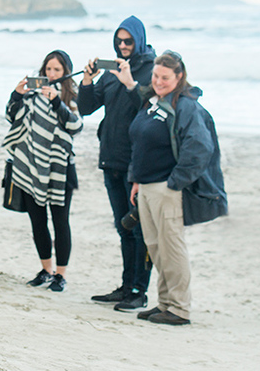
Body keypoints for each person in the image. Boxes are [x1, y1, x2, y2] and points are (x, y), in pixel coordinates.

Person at [128, 50, 226, 326]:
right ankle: (164, 303)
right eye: (156, 76)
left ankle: (179, 308)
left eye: (165, 77)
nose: (158, 81)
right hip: (146, 186)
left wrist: (175, 183)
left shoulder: (185, 106)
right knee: (156, 248)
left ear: (179, 76)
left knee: (172, 248)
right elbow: (141, 143)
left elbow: (200, 148)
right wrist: (136, 178)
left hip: (167, 188)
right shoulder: (154, 101)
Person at [78, 16, 158, 312]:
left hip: (137, 163)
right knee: (122, 227)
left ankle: (140, 290)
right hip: (110, 158)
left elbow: (151, 109)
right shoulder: (111, 71)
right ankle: (126, 285)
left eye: (128, 41)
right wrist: (86, 81)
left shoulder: (152, 70)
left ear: (139, 39)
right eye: (118, 41)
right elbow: (86, 107)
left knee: (139, 229)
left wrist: (131, 84)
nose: (123, 46)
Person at [3, 50, 83, 292]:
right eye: (48, 69)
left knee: (60, 222)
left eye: (57, 70)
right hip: (31, 166)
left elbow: (76, 126)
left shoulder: (73, 95)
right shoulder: (31, 95)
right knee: (37, 221)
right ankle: (45, 270)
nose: (51, 74)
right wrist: (17, 94)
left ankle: (61, 274)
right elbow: (11, 115)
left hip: (60, 169)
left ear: (65, 72)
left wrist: (56, 100)